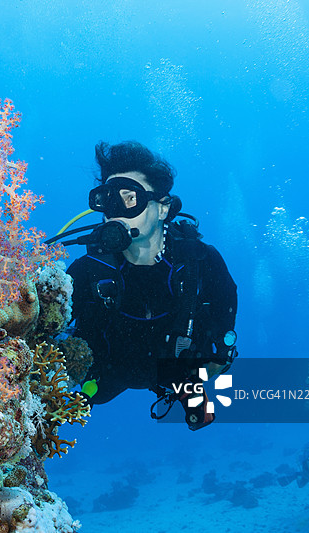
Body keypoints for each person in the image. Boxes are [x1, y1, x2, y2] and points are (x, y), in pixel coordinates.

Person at [63, 141, 238, 430]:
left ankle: (191, 393)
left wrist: (219, 353)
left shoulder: (198, 261)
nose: (116, 212)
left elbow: (226, 299)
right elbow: (54, 320)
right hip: (107, 370)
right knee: (76, 403)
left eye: (129, 198)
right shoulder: (89, 270)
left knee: (198, 408)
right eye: (109, 200)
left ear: (163, 208)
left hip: (176, 367)